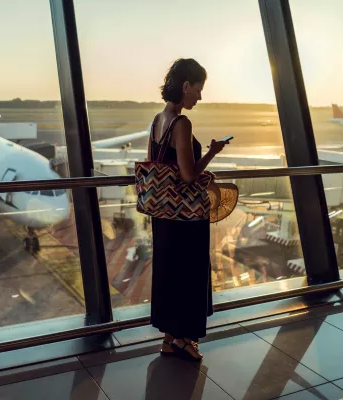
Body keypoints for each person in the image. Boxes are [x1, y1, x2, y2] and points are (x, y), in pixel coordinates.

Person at [148, 58, 229, 361]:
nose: (200, 96)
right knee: (189, 275)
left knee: (170, 274)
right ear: (185, 86)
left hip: (163, 214)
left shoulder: (157, 120)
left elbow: (160, 166)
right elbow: (188, 176)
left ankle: (170, 340)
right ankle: (185, 340)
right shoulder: (182, 123)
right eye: (198, 89)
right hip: (185, 217)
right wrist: (211, 153)